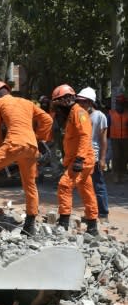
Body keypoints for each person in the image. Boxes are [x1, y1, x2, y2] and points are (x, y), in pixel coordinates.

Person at [0, 80, 53, 236]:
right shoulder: (27, 102)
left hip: (14, 144)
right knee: (30, 185)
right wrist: (39, 138)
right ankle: (29, 226)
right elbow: (48, 120)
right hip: (31, 148)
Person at [52, 84, 99, 236]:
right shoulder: (72, 113)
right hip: (79, 159)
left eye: (59, 102)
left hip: (82, 160)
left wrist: (79, 159)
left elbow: (85, 136)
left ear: (66, 100)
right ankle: (92, 227)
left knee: (64, 185)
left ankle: (63, 224)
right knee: (87, 191)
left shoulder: (79, 113)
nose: (57, 106)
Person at [76, 87, 109, 221]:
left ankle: (103, 214)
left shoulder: (99, 116)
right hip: (82, 157)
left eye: (83, 101)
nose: (80, 104)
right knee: (85, 187)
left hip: (94, 157)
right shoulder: (80, 115)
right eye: (79, 101)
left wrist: (102, 159)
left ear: (90, 102)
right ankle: (90, 213)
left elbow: (103, 140)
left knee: (98, 186)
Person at [107, 93, 128, 183]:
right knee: (116, 156)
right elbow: (107, 126)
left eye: (122, 103)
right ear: (116, 104)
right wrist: (106, 137)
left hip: (125, 138)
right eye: (118, 103)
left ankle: (122, 175)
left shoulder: (127, 114)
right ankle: (115, 175)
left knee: (124, 157)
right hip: (114, 138)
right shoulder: (111, 114)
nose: (120, 105)